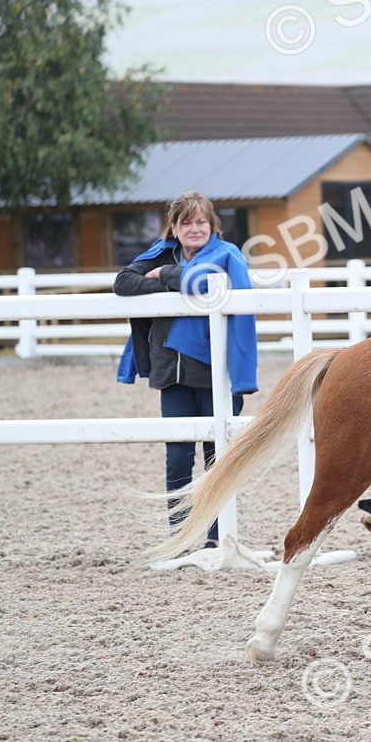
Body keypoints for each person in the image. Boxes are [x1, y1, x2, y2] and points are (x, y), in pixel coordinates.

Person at [114, 191, 258, 549]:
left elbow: (208, 286)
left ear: (212, 225)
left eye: (201, 222)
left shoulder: (228, 255)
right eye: (186, 222)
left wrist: (166, 274)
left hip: (214, 370)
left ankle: (213, 537)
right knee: (177, 457)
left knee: (216, 456)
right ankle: (178, 537)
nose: (195, 229)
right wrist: (167, 277)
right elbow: (123, 283)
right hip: (169, 371)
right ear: (174, 227)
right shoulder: (159, 251)